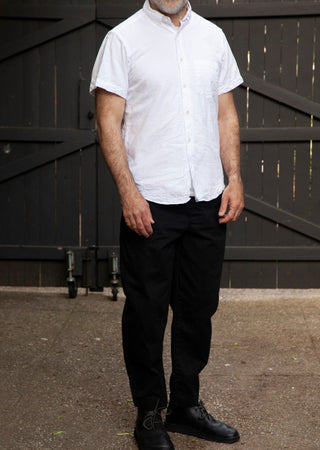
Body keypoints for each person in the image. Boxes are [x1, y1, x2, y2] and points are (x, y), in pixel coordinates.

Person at [90, 0, 244, 448]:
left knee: (198, 309)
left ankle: (186, 407)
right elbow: (108, 121)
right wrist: (128, 192)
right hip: (151, 203)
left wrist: (233, 178)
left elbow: (225, 114)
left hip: (208, 200)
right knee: (146, 313)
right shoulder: (122, 40)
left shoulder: (213, 38)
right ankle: (150, 413)